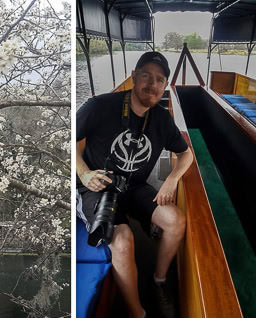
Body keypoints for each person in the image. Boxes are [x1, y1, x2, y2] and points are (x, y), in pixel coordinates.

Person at [76, 51, 193, 318]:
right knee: (122, 239)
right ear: (133, 77)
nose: (152, 85)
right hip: (99, 188)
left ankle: (159, 281)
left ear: (164, 86)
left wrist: (171, 180)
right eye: (146, 76)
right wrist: (84, 174)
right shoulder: (99, 106)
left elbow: (186, 154)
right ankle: (137, 312)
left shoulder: (162, 119)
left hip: (135, 186)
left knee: (175, 220)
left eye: (159, 80)